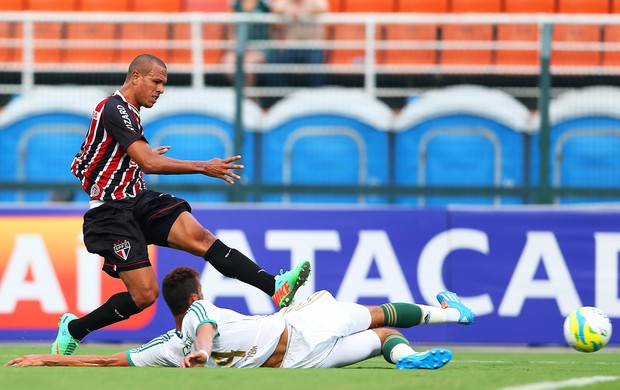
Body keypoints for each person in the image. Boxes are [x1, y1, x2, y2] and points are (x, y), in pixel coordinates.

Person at [55, 53, 311, 356]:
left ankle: (274, 285)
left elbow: (101, 157)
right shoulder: (115, 107)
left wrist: (134, 160)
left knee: (202, 238)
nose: (161, 89)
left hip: (137, 199)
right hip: (110, 212)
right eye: (156, 81)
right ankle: (75, 329)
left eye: (164, 84)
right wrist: (204, 167)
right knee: (144, 295)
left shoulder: (128, 113)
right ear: (135, 77)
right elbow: (148, 162)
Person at [8, 266, 475, 369]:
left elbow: (109, 363)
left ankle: (406, 358)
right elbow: (206, 330)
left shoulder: (167, 348)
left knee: (384, 336)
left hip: (298, 363)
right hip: (300, 327)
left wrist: (45, 360)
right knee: (378, 312)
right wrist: (205, 349)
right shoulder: (199, 313)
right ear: (196, 293)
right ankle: (452, 314)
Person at [265, 0, 329, 89]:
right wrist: (289, 10)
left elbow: (323, 8)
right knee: (273, 66)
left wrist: (304, 12)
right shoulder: (288, 3)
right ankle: (284, 96)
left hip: (313, 47)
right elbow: (276, 7)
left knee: (317, 69)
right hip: (292, 47)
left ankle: (314, 98)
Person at [221, 0, 272, 89]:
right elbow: (230, 31)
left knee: (247, 67)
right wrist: (239, 45)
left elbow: (275, 27)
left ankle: (247, 98)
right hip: (240, 47)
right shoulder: (234, 4)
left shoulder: (265, 4)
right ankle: (243, 98)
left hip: (261, 48)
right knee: (228, 63)